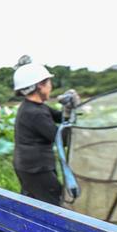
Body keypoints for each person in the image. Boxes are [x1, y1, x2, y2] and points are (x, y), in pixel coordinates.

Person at [12, 56, 79, 205]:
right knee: (53, 206)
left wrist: (68, 109)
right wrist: (70, 115)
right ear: (40, 85)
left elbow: (59, 117)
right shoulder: (34, 113)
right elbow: (63, 139)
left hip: (29, 166)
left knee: (32, 203)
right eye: (49, 82)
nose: (51, 87)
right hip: (36, 169)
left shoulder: (34, 106)